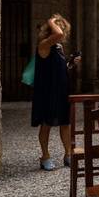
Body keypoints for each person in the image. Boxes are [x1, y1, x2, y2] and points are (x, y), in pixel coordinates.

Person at [31, 14, 77, 171]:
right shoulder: (43, 45)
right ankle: (45, 156)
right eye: (60, 27)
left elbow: (58, 69)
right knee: (46, 124)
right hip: (47, 92)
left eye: (63, 28)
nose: (63, 32)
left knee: (65, 123)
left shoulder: (58, 48)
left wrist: (70, 64)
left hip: (61, 91)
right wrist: (51, 20)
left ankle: (68, 154)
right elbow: (58, 34)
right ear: (50, 29)